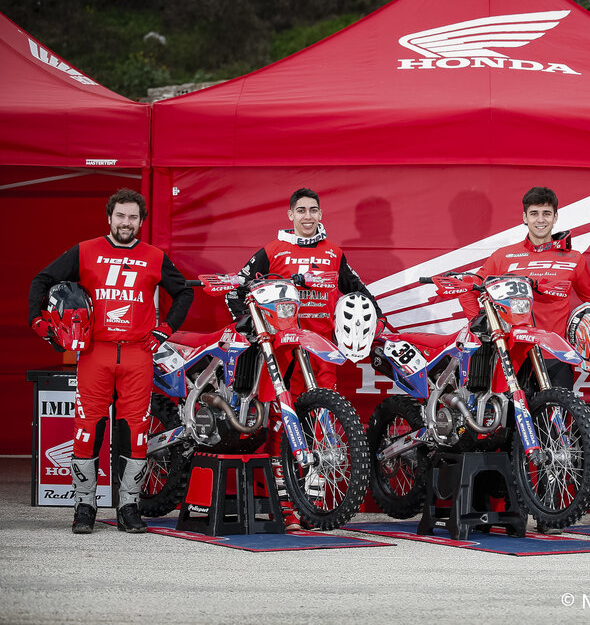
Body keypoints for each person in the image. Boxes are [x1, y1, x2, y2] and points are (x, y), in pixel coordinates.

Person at [28, 188, 193, 534]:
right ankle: (84, 506)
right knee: (87, 429)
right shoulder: (85, 250)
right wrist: (39, 322)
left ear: (141, 221)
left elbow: (184, 291)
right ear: (109, 217)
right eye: (120, 216)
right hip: (94, 352)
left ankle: (128, 506)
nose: (126, 223)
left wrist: (166, 329)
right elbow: (42, 280)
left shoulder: (154, 256)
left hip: (137, 353)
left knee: (136, 433)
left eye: (133, 217)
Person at [227, 187, 381, 530]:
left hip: (321, 350)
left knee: (322, 427)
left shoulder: (333, 253)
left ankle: (311, 505)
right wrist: (248, 324)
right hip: (281, 351)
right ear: (290, 215)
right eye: (301, 210)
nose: (308, 216)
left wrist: (378, 321)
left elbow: (360, 292)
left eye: (313, 210)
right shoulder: (273, 250)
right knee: (282, 425)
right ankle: (283, 506)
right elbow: (237, 286)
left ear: (321, 215)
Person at [458, 186, 590, 390]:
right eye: (534, 213)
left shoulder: (574, 259)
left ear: (555, 217)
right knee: (513, 421)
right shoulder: (503, 256)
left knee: (558, 420)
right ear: (524, 217)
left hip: (557, 354)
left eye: (546, 214)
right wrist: (477, 324)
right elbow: (468, 288)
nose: (540, 220)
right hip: (513, 354)